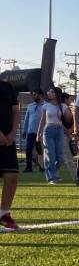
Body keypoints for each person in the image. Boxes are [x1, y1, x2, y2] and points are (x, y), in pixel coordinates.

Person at [36, 87, 72, 184]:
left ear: (56, 94)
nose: (48, 93)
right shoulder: (45, 106)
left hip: (59, 130)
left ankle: (53, 173)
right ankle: (51, 177)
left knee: (60, 157)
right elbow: (42, 120)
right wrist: (38, 133)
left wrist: (69, 110)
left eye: (51, 91)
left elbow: (69, 119)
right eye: (49, 91)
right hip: (48, 130)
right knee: (50, 155)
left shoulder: (63, 106)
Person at [0, 79, 20, 230]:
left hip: (8, 140)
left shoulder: (7, 87)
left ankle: (4, 214)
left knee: (11, 177)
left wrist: (13, 133)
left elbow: (16, 111)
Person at [21, 89, 44, 173]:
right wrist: (24, 130)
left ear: (41, 95)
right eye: (33, 95)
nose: (34, 96)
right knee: (28, 149)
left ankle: (42, 167)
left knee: (40, 151)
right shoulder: (30, 106)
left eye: (35, 94)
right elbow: (26, 119)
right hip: (31, 132)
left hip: (41, 133)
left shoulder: (46, 105)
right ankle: (28, 167)